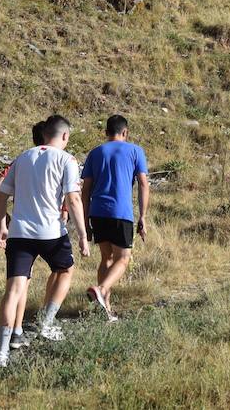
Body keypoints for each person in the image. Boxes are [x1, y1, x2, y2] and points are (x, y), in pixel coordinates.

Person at [0, 115, 88, 367]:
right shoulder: (67, 159)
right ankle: (46, 322)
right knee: (65, 269)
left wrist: (2, 225)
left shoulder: (23, 157)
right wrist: (82, 235)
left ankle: (2, 353)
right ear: (65, 136)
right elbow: (74, 199)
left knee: (13, 290)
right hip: (50, 233)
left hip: (20, 233)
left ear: (44, 134)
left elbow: (1, 192)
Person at [80, 114, 150, 323]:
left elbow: (85, 191)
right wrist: (143, 216)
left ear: (106, 133)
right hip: (120, 212)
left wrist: (85, 222)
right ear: (125, 132)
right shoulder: (135, 151)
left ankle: (106, 310)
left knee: (106, 259)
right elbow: (144, 184)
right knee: (123, 258)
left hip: (97, 212)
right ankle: (101, 290)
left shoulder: (95, 153)